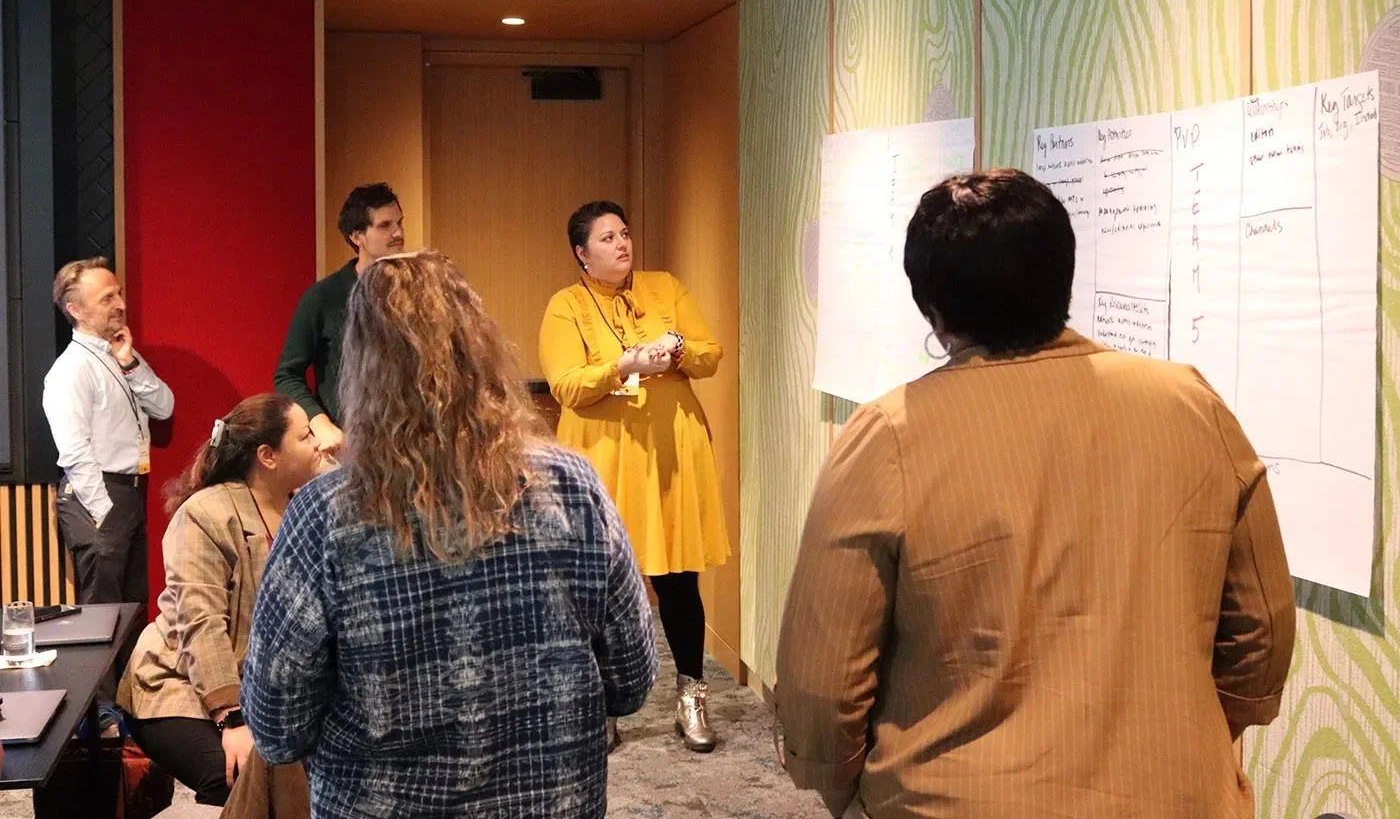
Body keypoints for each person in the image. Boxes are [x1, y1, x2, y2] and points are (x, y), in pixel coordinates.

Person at [775, 169, 1296, 819]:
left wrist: (839, 786)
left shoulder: (887, 437)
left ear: (932, 307)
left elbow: (822, 685)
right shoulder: (1192, 405)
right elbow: (1262, 636)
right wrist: (1185, 747)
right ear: (1063, 276)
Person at [244, 250, 657, 819]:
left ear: (359, 372)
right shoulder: (573, 487)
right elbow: (632, 680)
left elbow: (276, 727)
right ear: (480, 350)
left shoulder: (322, 518)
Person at [538, 201, 730, 752]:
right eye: (606, 238)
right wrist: (623, 367)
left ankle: (691, 696)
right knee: (599, 583)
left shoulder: (664, 286)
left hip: (672, 446)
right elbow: (567, 386)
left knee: (678, 576)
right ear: (581, 253)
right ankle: (602, 705)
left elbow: (710, 354)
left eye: (624, 234)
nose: (621, 244)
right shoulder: (566, 306)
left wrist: (676, 352)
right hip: (604, 455)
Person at [117, 393, 322, 807]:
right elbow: (201, 622)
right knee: (241, 776)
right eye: (305, 435)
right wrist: (233, 717)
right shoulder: (206, 514)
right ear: (268, 455)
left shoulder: (305, 507)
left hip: (263, 687)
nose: (319, 440)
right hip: (180, 683)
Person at [42, 256, 175, 737]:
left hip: (128, 491)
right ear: (76, 310)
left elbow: (164, 405)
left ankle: (128, 704)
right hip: (97, 494)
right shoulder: (69, 371)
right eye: (107, 298)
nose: (120, 304)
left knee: (132, 605)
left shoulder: (116, 356)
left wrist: (131, 361)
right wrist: (101, 514)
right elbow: (74, 451)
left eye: (119, 293)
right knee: (100, 613)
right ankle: (97, 718)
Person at [274, 182, 404, 455]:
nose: (398, 233)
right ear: (357, 236)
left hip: (406, 447)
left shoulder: (414, 293)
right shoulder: (323, 297)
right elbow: (287, 375)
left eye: (399, 223)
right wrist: (320, 422)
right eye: (385, 226)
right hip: (348, 450)